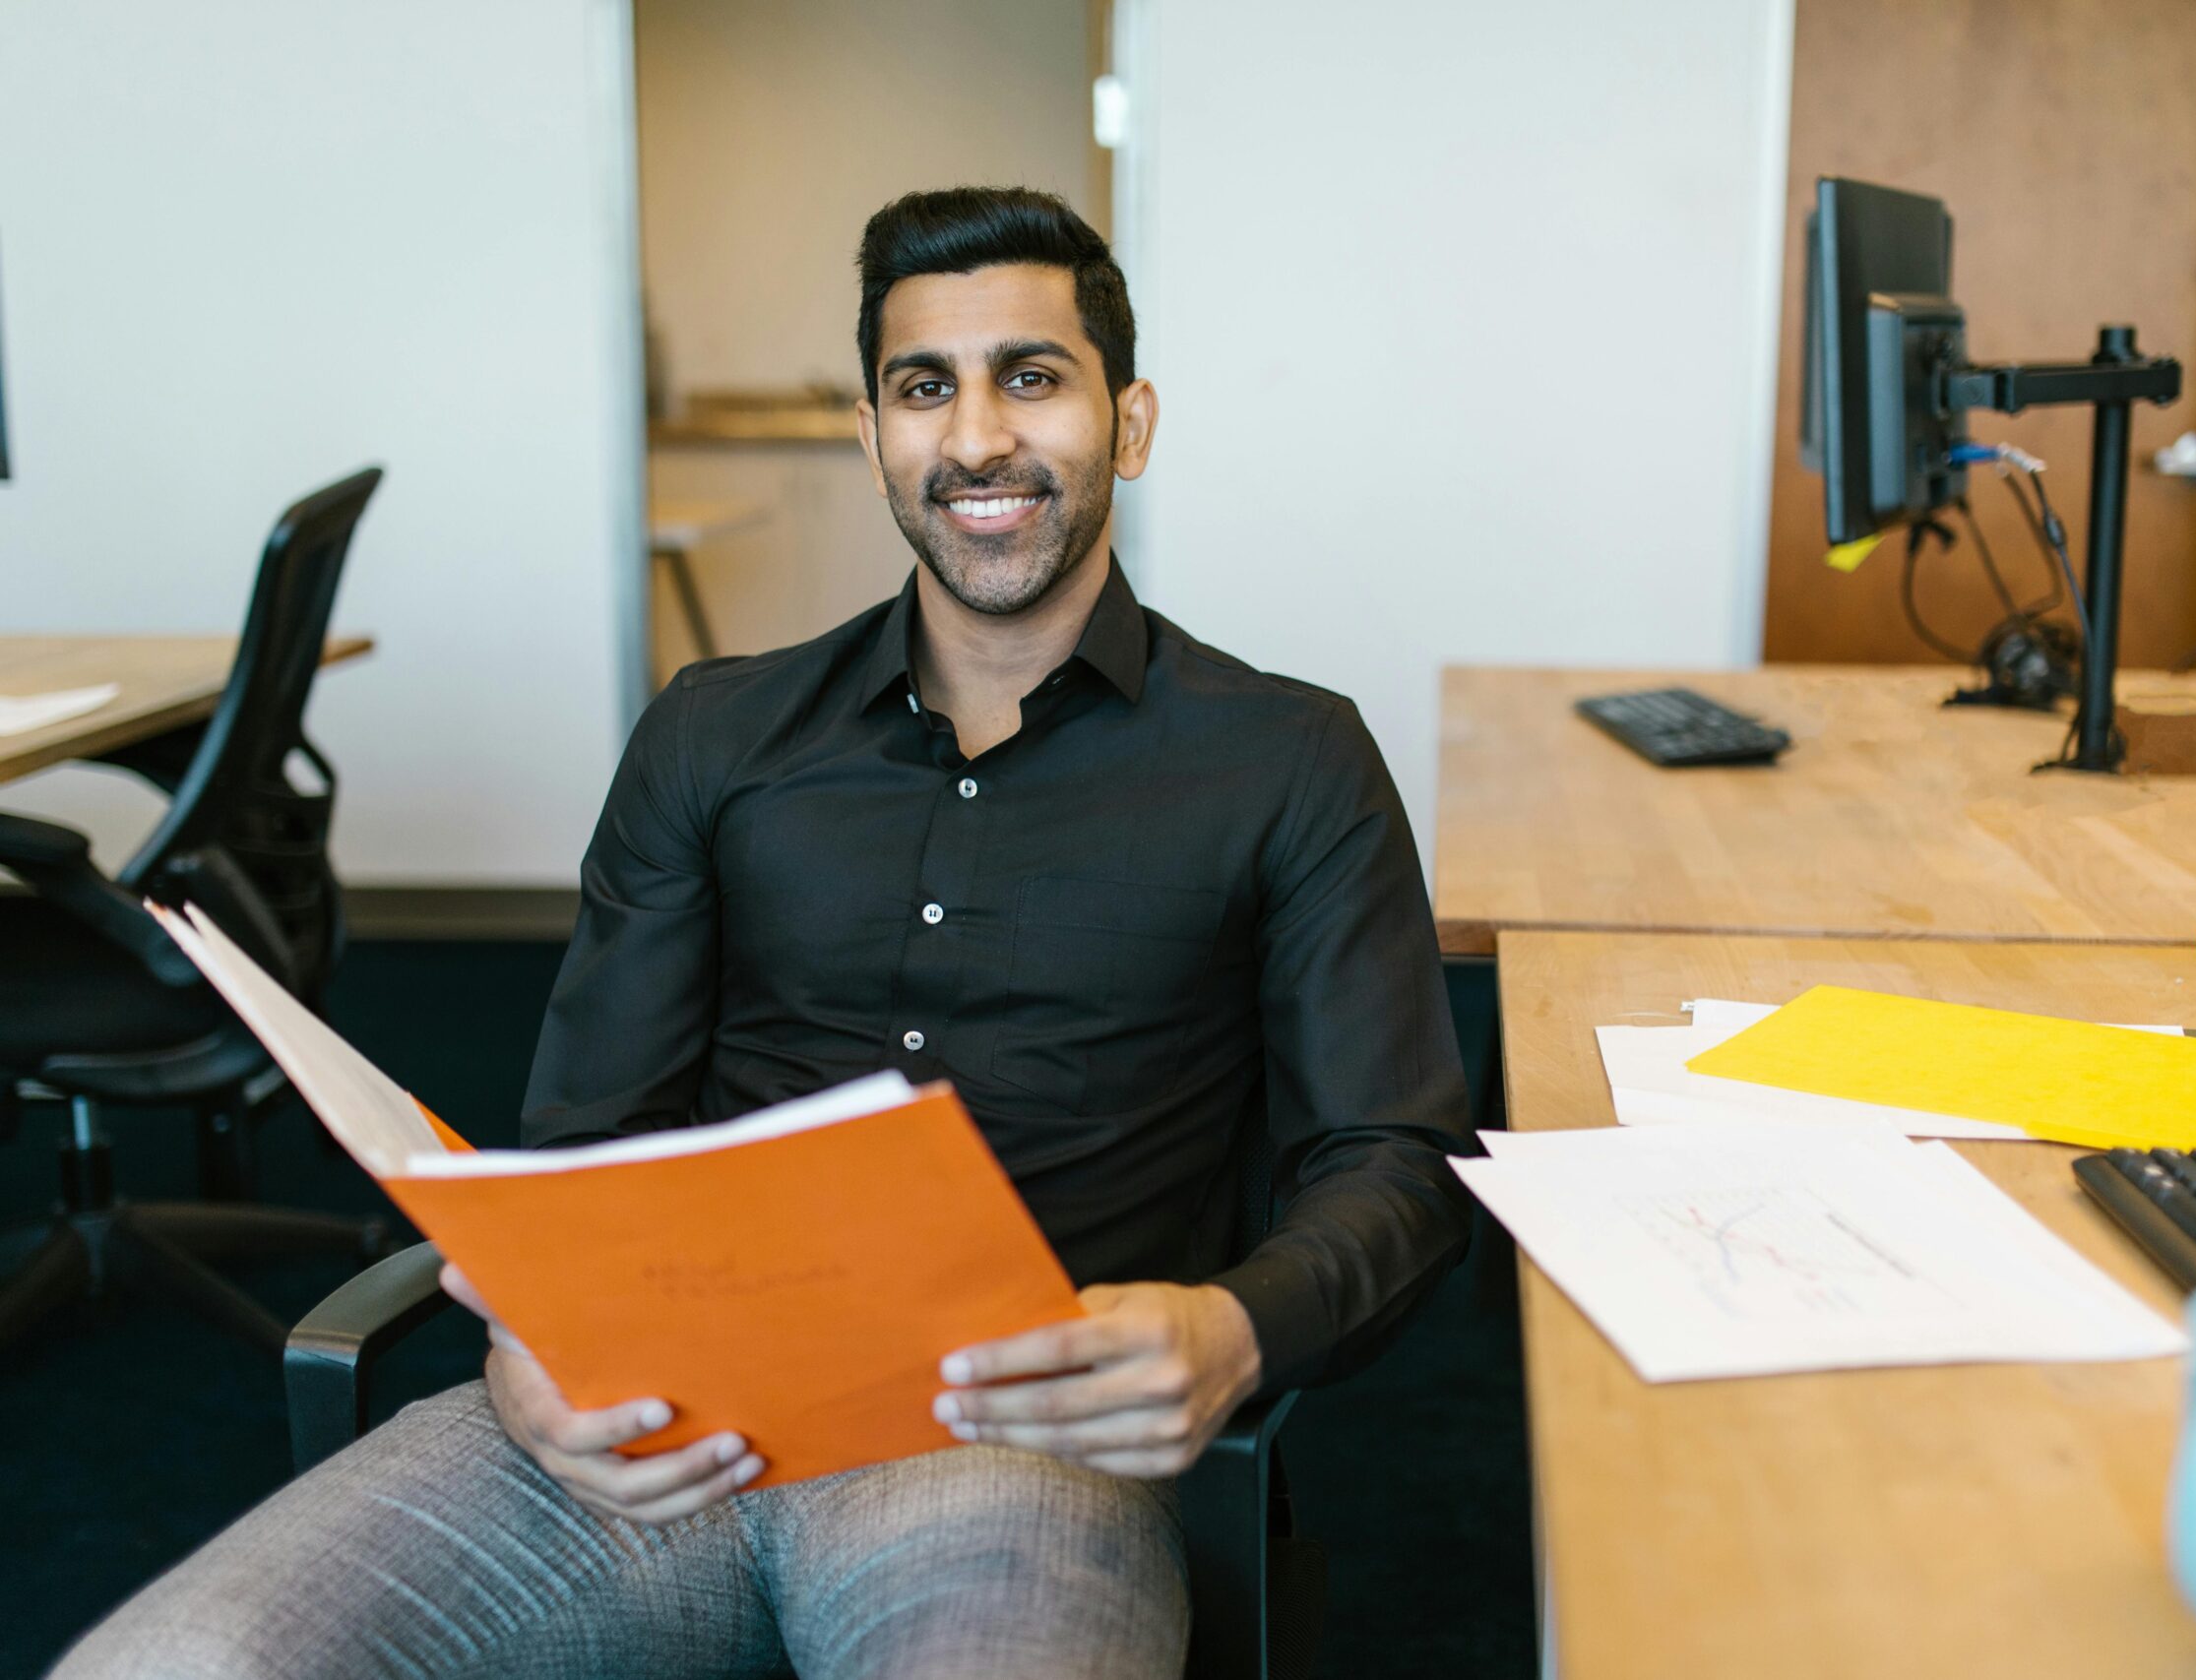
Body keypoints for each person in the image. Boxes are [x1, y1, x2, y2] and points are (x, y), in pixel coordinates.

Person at [54, 186, 1473, 1679]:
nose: (978, 438)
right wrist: (531, 1351)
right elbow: (584, 1135)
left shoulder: (1289, 760)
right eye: (926, 388)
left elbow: (1396, 1160)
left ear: (1128, 424)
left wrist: (1232, 1332)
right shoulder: (713, 733)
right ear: (872, 436)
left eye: (1032, 378)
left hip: (1011, 1449)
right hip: (631, 1434)